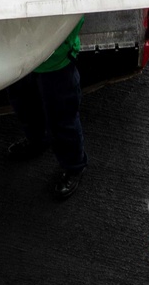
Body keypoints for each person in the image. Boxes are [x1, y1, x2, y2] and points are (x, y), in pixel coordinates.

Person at [5, 19, 88, 199]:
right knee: (23, 104)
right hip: (19, 56)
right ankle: (37, 140)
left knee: (61, 117)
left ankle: (74, 166)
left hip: (55, 61)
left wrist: (61, 42)